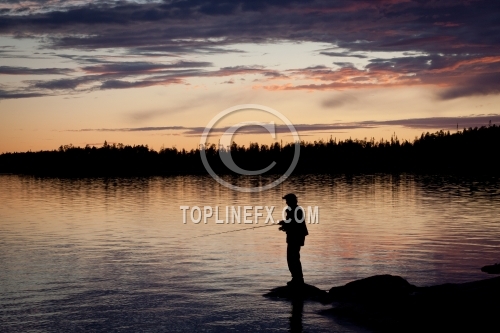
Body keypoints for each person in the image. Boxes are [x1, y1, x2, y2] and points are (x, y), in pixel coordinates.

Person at [278, 193, 308, 286]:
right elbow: (292, 223)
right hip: (294, 236)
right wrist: (284, 224)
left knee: (293, 258)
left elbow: (295, 225)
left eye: (287, 200)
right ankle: (296, 278)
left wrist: (285, 225)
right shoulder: (293, 210)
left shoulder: (296, 210)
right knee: (292, 258)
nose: (286, 202)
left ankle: (298, 279)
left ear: (292, 201)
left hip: (296, 237)